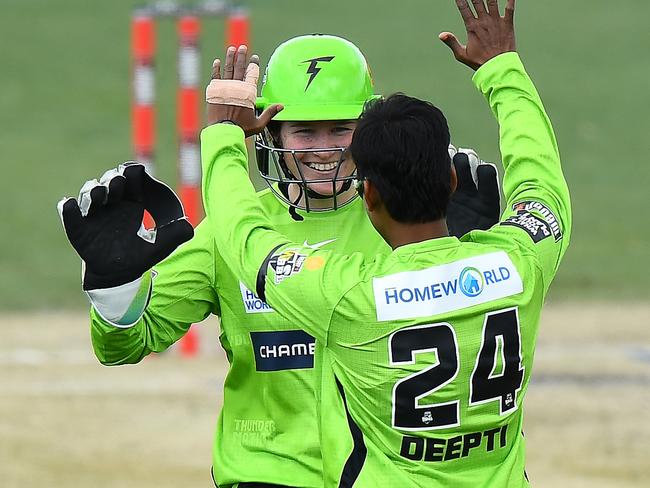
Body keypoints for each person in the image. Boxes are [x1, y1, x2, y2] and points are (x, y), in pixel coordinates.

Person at [58, 36, 500, 488]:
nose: (323, 149)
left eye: (340, 129)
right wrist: (116, 292)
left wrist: (464, 250)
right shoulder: (228, 230)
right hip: (264, 476)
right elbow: (125, 347)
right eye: (304, 131)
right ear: (272, 133)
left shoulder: (407, 224)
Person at [199, 0, 571, 486]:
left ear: (368, 193)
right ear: (454, 183)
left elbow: (242, 233)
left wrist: (225, 137)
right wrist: (503, 69)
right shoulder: (521, 262)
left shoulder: (346, 296)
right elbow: (542, 184)